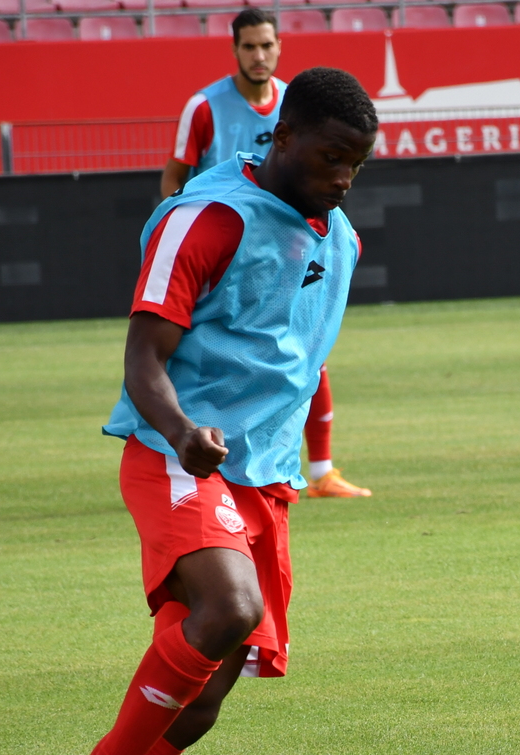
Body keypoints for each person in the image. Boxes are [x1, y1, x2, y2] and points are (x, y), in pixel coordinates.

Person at [0, 68, 379, 755]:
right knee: (227, 609)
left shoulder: (336, 237)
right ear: (286, 133)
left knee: (200, 705)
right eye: (333, 157)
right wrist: (187, 429)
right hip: (178, 454)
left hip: (263, 482)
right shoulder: (209, 218)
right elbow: (142, 362)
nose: (344, 179)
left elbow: (294, 359)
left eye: (359, 166)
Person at [162, 7, 372, 500]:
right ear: (235, 50)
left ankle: (319, 470)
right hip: (220, 247)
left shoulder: (297, 106)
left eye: (268, 46)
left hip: (285, 249)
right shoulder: (205, 107)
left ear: (280, 48)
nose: (260, 56)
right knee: (209, 350)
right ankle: (187, 450)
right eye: (249, 47)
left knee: (306, 356)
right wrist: (181, 234)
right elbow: (176, 175)